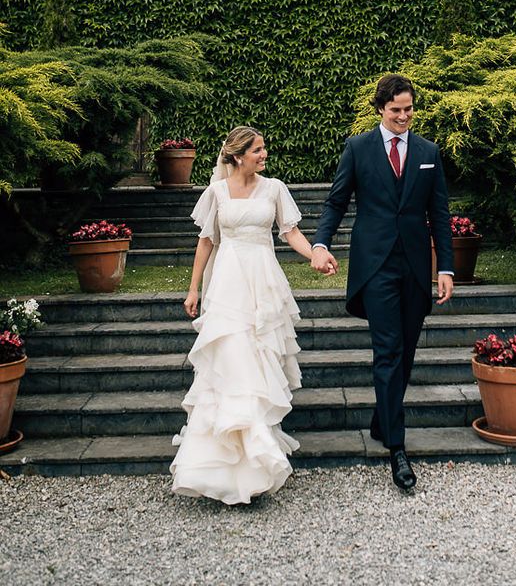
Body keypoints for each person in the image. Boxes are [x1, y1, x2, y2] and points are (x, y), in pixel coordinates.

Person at [170, 126, 337, 505]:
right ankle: (220, 465)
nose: (264, 155)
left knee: (259, 366)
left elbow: (290, 232)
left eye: (263, 149)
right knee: (231, 364)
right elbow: (207, 240)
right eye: (258, 150)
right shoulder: (216, 192)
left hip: (263, 285)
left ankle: (257, 465)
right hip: (228, 286)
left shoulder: (275, 188)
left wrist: (315, 255)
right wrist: (194, 288)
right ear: (237, 156)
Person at [312, 74, 454, 491]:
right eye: (396, 111)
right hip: (374, 267)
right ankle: (397, 449)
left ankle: (381, 419)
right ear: (380, 109)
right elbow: (337, 200)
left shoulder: (429, 152)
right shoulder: (358, 148)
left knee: (406, 350)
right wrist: (321, 243)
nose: (404, 117)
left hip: (414, 267)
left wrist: (444, 268)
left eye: (409, 110)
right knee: (388, 349)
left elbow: (440, 215)